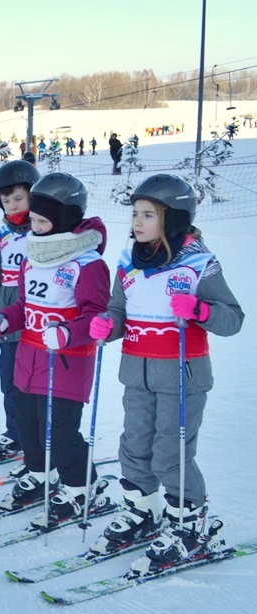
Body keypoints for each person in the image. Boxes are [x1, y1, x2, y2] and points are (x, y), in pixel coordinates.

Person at [87, 174, 243, 571]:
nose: (137, 222)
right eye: (135, 214)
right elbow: (119, 310)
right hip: (136, 373)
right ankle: (144, 512)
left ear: (173, 218)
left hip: (181, 374)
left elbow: (232, 319)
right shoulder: (128, 261)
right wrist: (109, 324)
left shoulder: (198, 263)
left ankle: (190, 526)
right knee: (134, 447)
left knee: (170, 455)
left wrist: (199, 311)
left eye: (148, 215)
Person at [0, 172, 111, 528]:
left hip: (66, 363)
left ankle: (83, 487)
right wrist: (4, 319)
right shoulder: (32, 257)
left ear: (64, 218)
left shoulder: (88, 264)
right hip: (29, 358)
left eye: (42, 221)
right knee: (29, 426)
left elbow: (97, 317)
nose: (34, 227)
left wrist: (69, 333)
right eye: (34, 220)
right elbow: (25, 307)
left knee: (60, 433)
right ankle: (41, 473)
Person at [0, 160, 41, 464]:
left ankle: (40, 434)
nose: (13, 205)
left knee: (35, 382)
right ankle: (15, 433)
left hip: (38, 318)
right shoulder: (1, 236)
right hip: (6, 319)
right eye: (7, 200)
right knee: (10, 382)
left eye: (18, 198)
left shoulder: (44, 231)